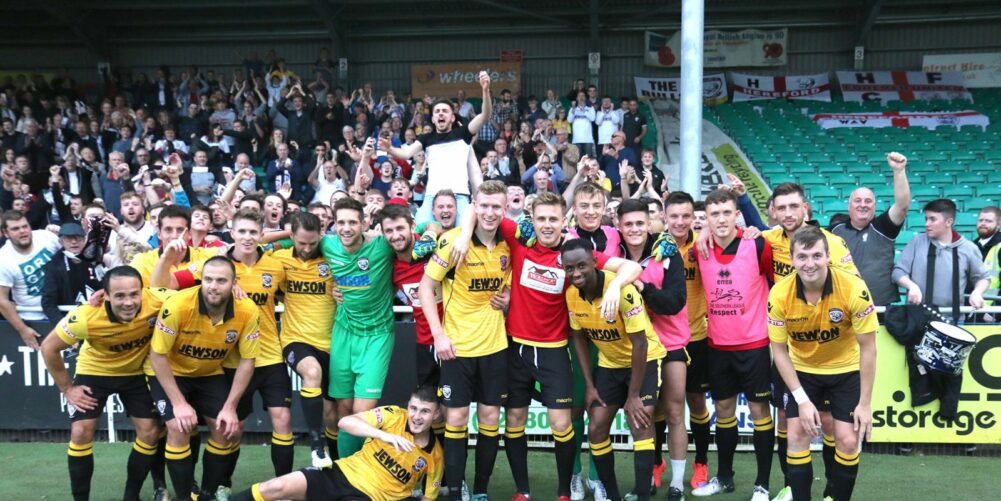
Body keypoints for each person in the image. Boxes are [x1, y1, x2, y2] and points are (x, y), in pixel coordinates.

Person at [448, 189, 642, 501]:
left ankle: (565, 490)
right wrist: (463, 235)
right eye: (541, 219)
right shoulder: (518, 239)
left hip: (554, 351)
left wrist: (616, 287)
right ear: (532, 220)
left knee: (561, 423)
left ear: (564, 220)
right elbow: (481, 207)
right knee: (514, 422)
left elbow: (633, 268)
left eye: (554, 218)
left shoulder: (573, 253)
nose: (547, 225)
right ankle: (522, 491)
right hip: (515, 350)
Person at [151, 208, 293, 499]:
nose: (247, 237)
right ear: (231, 232)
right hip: (203, 366)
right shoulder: (207, 267)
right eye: (241, 231)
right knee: (196, 427)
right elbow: (163, 287)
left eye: (254, 232)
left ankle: (215, 489)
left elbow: (301, 282)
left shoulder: (273, 268)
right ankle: (194, 491)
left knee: (250, 424)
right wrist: (166, 257)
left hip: (255, 357)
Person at [41, 266, 173, 501]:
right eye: (120, 296)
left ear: (143, 292)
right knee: (81, 432)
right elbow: (49, 348)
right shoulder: (86, 316)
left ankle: (130, 496)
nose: (129, 302)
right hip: (95, 372)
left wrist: (234, 285)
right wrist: (67, 389)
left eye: (134, 294)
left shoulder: (158, 299)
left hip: (136, 374)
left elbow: (196, 294)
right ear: (106, 295)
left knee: (151, 433)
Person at [760, 182, 857, 500]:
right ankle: (792, 488)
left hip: (829, 350)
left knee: (829, 422)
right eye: (782, 207)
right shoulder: (768, 239)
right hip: (788, 348)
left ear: (806, 208)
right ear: (773, 211)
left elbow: (853, 288)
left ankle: (832, 487)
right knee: (788, 423)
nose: (788, 213)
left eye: (794, 206)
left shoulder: (832, 243)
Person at [768, 226, 878, 501]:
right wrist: (802, 400)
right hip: (803, 372)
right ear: (792, 260)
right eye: (802, 257)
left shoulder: (854, 288)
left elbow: (869, 348)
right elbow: (779, 351)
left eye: (817, 255)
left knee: (849, 440)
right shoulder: (779, 294)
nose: (810, 263)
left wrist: (865, 404)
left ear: (828, 256)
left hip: (846, 371)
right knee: (795, 436)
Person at [418, 180, 511, 501]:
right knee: (456, 419)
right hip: (456, 348)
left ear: (505, 208)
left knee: (489, 420)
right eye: (483, 205)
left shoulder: (508, 244)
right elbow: (425, 288)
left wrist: (508, 295)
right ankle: (456, 490)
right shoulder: (453, 242)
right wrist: (439, 335)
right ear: (474, 204)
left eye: (496, 206)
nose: (489, 212)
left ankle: (482, 490)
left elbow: (512, 282)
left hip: (495, 348)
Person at [148, 256, 261, 501]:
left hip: (209, 374)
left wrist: (230, 408)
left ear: (234, 283)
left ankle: (207, 494)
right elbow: (157, 356)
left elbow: (247, 360)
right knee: (178, 427)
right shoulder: (178, 306)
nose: (213, 286)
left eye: (221, 280)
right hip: (170, 372)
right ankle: (184, 497)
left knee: (224, 429)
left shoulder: (248, 310)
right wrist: (179, 403)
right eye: (208, 279)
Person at [564, 238, 666, 501]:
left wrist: (633, 396)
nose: (576, 273)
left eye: (581, 266)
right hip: (609, 366)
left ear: (595, 262)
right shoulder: (571, 295)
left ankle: (643, 495)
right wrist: (589, 385)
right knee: (596, 426)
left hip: (643, 361)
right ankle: (612, 496)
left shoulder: (623, 290)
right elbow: (578, 338)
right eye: (569, 268)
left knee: (641, 421)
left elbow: (640, 344)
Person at [691, 189, 774, 501]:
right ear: (707, 218)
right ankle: (724, 478)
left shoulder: (757, 243)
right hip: (718, 346)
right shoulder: (700, 248)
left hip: (754, 345)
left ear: (737, 213)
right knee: (723, 411)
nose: (721, 219)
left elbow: (777, 286)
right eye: (715, 214)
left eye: (727, 212)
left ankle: (762, 485)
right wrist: (700, 233)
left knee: (758, 412)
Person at [228, 385, 444, 501]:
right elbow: (346, 422)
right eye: (414, 408)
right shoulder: (394, 415)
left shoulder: (435, 456)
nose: (416, 416)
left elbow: (428, 497)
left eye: (425, 411)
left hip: (370, 497)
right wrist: (384, 435)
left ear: (435, 416)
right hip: (339, 473)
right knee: (275, 486)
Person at [616, 200, 689, 501]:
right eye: (628, 224)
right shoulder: (614, 255)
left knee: (673, 411)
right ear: (619, 226)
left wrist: (643, 286)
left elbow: (674, 303)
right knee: (643, 415)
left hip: (669, 342)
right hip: (633, 347)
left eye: (639, 223)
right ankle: (646, 478)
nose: (634, 229)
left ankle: (678, 483)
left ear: (649, 224)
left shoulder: (667, 255)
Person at [320, 197, 396, 458]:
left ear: (363, 223)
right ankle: (345, 472)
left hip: (377, 336)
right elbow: (295, 237)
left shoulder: (382, 246)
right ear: (333, 224)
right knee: (344, 410)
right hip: (343, 333)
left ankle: (357, 478)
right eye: (341, 222)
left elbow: (418, 229)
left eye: (353, 222)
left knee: (361, 414)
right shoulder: (327, 244)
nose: (346, 228)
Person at [273, 212, 340, 467]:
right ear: (291, 236)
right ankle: (316, 446)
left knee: (331, 414)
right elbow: (251, 244)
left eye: (313, 243)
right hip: (296, 339)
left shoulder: (331, 256)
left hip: (333, 344)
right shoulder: (279, 258)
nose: (307, 248)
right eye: (301, 242)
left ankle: (338, 467)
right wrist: (283, 238)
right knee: (311, 372)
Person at [382, 72, 492, 226]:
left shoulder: (463, 133)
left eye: (445, 111)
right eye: (437, 111)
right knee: (419, 231)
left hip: (459, 195)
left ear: (452, 117)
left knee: (465, 234)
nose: (441, 113)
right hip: (431, 196)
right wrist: (390, 149)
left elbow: (485, 115)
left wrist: (485, 91)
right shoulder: (426, 138)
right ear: (433, 118)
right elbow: (406, 153)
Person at [661, 192, 713, 488]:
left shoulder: (704, 243)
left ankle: (702, 463)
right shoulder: (656, 245)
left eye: (686, 216)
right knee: (658, 405)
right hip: (664, 340)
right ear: (665, 217)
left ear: (694, 218)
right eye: (675, 216)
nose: (680, 222)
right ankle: (656, 463)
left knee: (695, 401)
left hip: (697, 336)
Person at [831, 152, 912, 306]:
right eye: (858, 201)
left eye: (868, 201)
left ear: (874, 207)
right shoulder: (834, 231)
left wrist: (899, 171)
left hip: (879, 308)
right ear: (849, 206)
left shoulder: (884, 227)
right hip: (842, 307)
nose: (863, 205)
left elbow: (902, 205)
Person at [893, 199, 990, 312]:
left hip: (953, 319)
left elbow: (982, 278)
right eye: (926, 219)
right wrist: (911, 286)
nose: (927, 224)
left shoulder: (968, 248)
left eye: (932, 219)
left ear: (949, 222)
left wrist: (977, 292)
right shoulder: (916, 242)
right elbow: (898, 272)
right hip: (916, 317)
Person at [0, 209, 61, 349]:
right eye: (15, 228)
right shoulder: (3, 259)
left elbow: (72, 255)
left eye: (25, 226)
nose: (22, 231)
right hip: (33, 318)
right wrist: (22, 329)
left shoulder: (46, 237)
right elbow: (2, 300)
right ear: (5, 233)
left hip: (62, 308)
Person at [129, 205, 213, 285]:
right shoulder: (142, 262)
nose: (174, 236)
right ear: (159, 234)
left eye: (180, 230)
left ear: (190, 234)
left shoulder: (207, 257)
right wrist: (165, 258)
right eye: (168, 230)